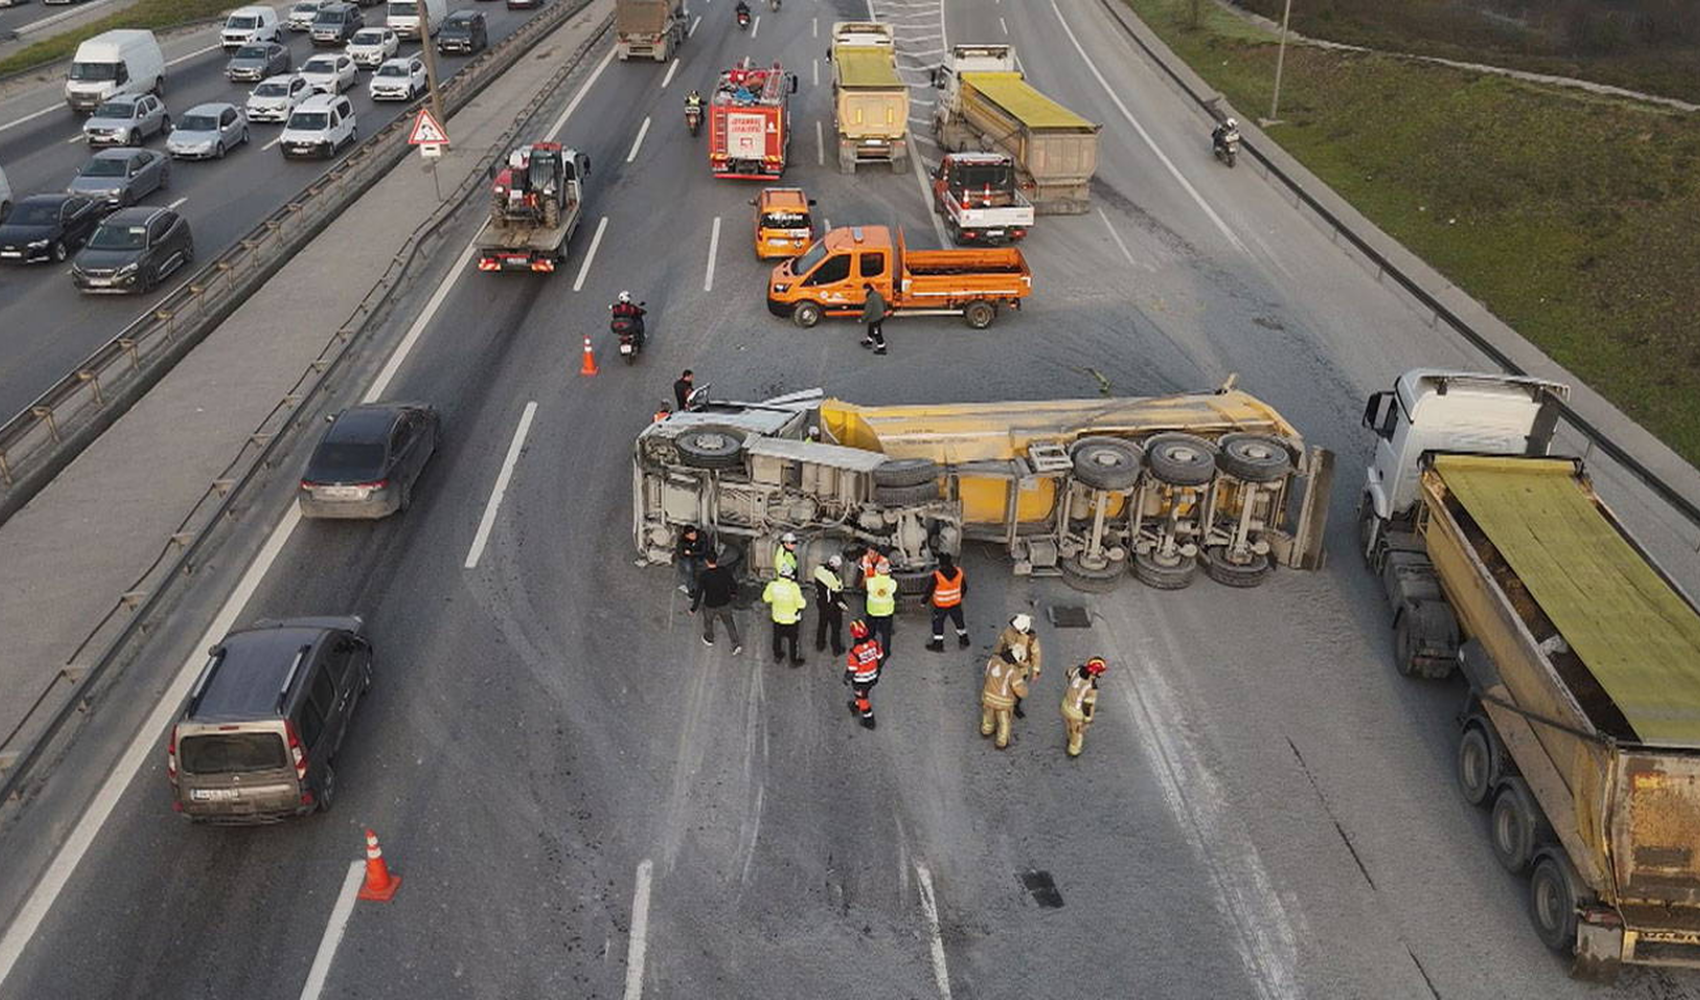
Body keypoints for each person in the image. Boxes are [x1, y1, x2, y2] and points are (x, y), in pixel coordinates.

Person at [980, 643, 1029, 750]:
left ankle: (986, 729)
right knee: (1003, 722)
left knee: (988, 715)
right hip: (1003, 703)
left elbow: (986, 674)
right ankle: (1001, 741)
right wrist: (1024, 693)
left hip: (988, 696)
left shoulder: (993, 660)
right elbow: (1020, 690)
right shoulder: (1013, 671)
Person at [691, 552, 742, 653]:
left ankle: (709, 638)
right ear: (717, 560)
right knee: (729, 623)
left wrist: (694, 608)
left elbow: (699, 593)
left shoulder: (704, 576)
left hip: (710, 605)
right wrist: (733, 593)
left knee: (708, 621)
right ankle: (736, 644)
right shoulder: (724, 571)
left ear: (706, 562)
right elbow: (733, 584)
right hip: (725, 603)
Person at [994, 613, 1043, 718]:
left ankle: (1015, 705)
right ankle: (1002, 703)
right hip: (1007, 663)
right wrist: (996, 655)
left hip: (1021, 668)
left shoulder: (1031, 639)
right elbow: (1001, 642)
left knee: (1018, 688)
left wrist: (1035, 670)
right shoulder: (1009, 631)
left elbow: (1036, 654)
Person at [762, 564, 807, 666]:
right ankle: (793, 660)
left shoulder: (772, 585)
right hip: (791, 620)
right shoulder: (793, 588)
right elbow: (801, 604)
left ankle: (777, 655)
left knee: (777, 638)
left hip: (777, 618)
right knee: (793, 641)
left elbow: (766, 598)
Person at [1061, 657, 1107, 757]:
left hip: (1065, 704)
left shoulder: (1078, 669)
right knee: (1077, 732)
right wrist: (1088, 720)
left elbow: (1068, 673)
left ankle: (1069, 737)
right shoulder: (1091, 687)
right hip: (1076, 712)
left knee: (1068, 725)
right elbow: (1087, 705)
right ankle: (1074, 750)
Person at [924, 553, 969, 652]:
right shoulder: (959, 572)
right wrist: (959, 597)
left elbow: (929, 590)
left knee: (938, 624)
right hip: (955, 604)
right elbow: (964, 588)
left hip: (941, 606)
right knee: (959, 622)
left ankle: (938, 645)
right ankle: (964, 640)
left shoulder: (937, 575)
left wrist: (924, 601)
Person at [844, 620, 882, 730]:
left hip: (861, 681)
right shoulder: (874, 643)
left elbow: (852, 671)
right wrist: (877, 670)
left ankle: (869, 721)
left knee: (863, 699)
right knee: (863, 694)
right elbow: (880, 658)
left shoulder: (854, 653)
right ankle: (856, 705)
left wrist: (846, 678)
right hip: (873, 677)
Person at [813, 554, 848, 656]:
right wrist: (845, 607)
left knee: (822, 624)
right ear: (836, 567)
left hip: (820, 602)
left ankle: (820, 645)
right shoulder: (835, 580)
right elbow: (838, 597)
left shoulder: (818, 569)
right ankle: (836, 649)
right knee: (836, 628)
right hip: (832, 607)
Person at [864, 558, 897, 661]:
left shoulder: (871, 581)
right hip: (887, 611)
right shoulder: (892, 583)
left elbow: (867, 590)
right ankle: (886, 652)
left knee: (870, 632)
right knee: (886, 634)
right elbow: (894, 592)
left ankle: (870, 649)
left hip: (873, 610)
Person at [675, 525, 707, 599]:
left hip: (697, 555)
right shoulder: (682, 542)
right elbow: (681, 554)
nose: (694, 536)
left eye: (694, 533)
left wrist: (691, 553)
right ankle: (691, 589)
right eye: (691, 535)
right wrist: (693, 553)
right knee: (689, 571)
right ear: (687, 536)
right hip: (687, 558)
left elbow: (704, 550)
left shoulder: (701, 536)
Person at [859, 283, 889, 355]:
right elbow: (884, 303)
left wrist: (862, 319)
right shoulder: (878, 294)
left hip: (876, 318)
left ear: (867, 289)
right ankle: (869, 342)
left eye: (864, 290)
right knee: (870, 327)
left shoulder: (870, 298)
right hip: (880, 316)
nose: (863, 292)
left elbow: (867, 311)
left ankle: (882, 348)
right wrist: (885, 310)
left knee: (877, 333)